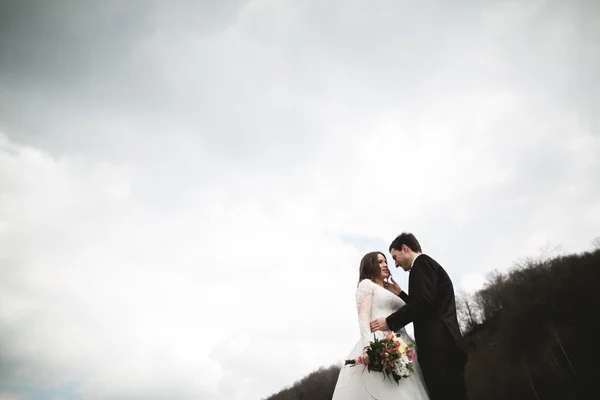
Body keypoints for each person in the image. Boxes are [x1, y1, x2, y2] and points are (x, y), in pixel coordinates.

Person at [369, 233, 468, 400]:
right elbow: (427, 306)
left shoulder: (421, 265)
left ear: (405, 249)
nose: (395, 264)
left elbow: (422, 303)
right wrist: (400, 294)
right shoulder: (428, 265)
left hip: (438, 349)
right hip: (445, 346)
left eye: (395, 257)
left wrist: (389, 321)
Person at [331, 251, 430, 399]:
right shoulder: (366, 285)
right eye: (380, 262)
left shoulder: (390, 289)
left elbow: (413, 310)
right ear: (370, 265)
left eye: (386, 262)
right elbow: (363, 318)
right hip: (381, 342)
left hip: (404, 346)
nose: (385, 265)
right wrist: (368, 347)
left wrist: (399, 292)